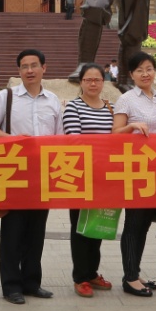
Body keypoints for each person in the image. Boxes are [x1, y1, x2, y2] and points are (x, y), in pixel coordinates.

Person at [0, 49, 62, 304]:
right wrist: (14, 139)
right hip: (14, 172)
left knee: (36, 232)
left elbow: (59, 137)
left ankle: (31, 282)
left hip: (41, 174)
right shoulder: (5, 97)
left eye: (34, 65)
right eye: (24, 66)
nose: (29, 70)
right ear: (18, 71)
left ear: (43, 68)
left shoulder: (53, 100)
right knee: (13, 232)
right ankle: (11, 286)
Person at [113, 51, 156, 297]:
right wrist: (132, 126)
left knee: (144, 223)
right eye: (139, 70)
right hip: (135, 170)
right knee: (134, 223)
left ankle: (134, 271)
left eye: (149, 69)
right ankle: (129, 278)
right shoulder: (126, 99)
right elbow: (115, 133)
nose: (145, 74)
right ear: (131, 74)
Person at [63, 62, 116, 298]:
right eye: (88, 80)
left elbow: (117, 138)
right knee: (80, 227)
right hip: (81, 176)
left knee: (98, 224)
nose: (93, 84)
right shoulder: (73, 107)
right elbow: (75, 140)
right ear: (81, 82)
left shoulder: (111, 108)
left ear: (103, 82)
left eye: (97, 80)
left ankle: (92, 272)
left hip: (105, 177)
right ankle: (80, 277)